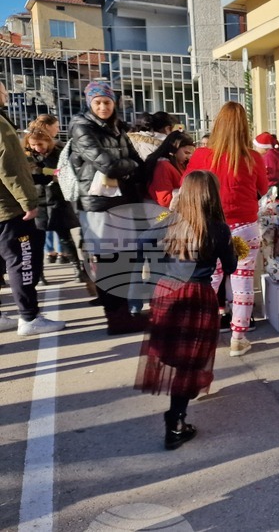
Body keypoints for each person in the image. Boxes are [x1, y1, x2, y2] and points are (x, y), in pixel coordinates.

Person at [134, 170, 237, 450]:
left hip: (167, 291)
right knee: (191, 357)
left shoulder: (166, 220)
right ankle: (176, 421)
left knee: (176, 353)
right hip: (197, 295)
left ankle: (178, 412)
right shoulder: (217, 227)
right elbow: (230, 267)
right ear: (211, 196)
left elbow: (140, 246)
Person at [185, 101, 268, 356]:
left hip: (210, 226)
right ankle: (238, 338)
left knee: (210, 280)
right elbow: (263, 189)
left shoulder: (201, 155)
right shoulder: (253, 157)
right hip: (245, 226)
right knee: (242, 282)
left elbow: (187, 184)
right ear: (245, 127)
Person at [70, 80, 148, 335]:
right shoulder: (82, 127)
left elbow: (136, 162)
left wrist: (128, 164)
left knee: (124, 261)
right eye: (98, 102)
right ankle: (116, 319)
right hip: (99, 205)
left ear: (114, 103)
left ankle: (123, 314)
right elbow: (110, 166)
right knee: (108, 262)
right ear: (89, 103)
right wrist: (130, 166)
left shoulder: (117, 128)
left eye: (107, 102)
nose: (103, 106)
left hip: (121, 202)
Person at [0, 81, 65, 335]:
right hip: (9, 208)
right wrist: (28, 202)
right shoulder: (2, 126)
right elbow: (11, 168)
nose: (6, 95)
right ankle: (29, 317)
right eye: (4, 91)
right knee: (22, 260)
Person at [23, 129, 84, 281]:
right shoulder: (27, 156)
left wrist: (50, 172)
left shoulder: (58, 153)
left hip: (57, 199)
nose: (37, 147)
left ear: (48, 142)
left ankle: (78, 269)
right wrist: (50, 172)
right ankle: (39, 275)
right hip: (38, 200)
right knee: (37, 242)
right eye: (33, 145)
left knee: (65, 237)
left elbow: (64, 171)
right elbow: (32, 172)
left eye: (40, 144)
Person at [146, 131, 196, 209]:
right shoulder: (163, 166)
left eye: (191, 154)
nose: (189, 157)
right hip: (162, 215)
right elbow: (164, 200)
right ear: (174, 149)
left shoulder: (179, 164)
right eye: (186, 153)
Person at [255, 132, 279, 199]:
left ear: (264, 147)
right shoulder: (272, 154)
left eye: (257, 146)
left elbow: (270, 173)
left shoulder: (268, 156)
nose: (256, 149)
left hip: (272, 185)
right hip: (278, 184)